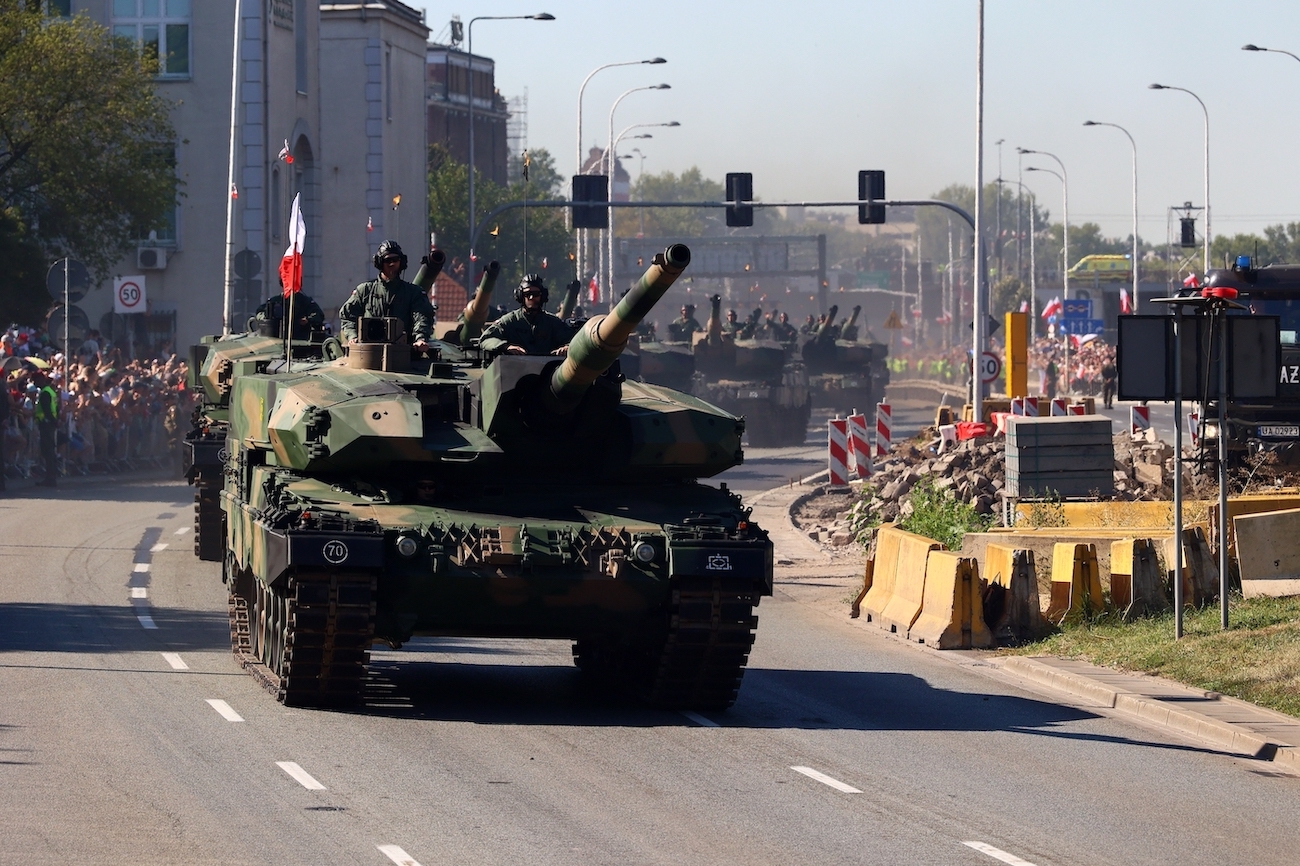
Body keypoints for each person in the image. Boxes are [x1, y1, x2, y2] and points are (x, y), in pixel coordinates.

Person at [338, 240, 435, 349]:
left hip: (404, 353)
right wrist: (353, 336)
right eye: (387, 260)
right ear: (379, 262)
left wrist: (420, 338)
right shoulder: (365, 291)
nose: (392, 263)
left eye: (395, 260)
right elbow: (348, 316)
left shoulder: (413, 292)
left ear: (401, 262)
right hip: (368, 353)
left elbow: (422, 317)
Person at [478, 274, 575, 357]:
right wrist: (506, 346)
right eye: (527, 294)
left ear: (542, 296)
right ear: (520, 296)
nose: (532, 298)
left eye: (536, 294)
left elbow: (573, 341)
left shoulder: (553, 323)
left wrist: (567, 348)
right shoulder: (511, 321)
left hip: (548, 372)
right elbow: (486, 339)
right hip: (515, 372)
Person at [253, 291, 325, 339]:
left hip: (301, 336)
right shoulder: (275, 301)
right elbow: (260, 313)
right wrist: (267, 315)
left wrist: (308, 320)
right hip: (275, 335)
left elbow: (319, 315)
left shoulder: (305, 302)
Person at [32, 369, 58, 487]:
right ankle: (51, 477)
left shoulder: (45, 393)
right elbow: (55, 408)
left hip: (46, 424)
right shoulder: (50, 391)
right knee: (50, 452)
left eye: (35, 380)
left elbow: (47, 410)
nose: (34, 383)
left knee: (48, 451)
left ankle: (50, 478)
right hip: (50, 424)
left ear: (40, 380)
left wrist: (49, 420)